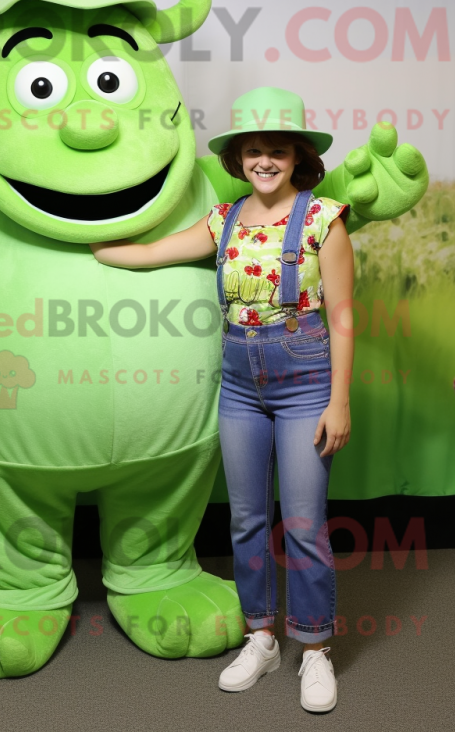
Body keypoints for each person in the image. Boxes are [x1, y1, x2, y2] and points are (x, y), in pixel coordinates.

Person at [90, 87, 354, 712]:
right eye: (255, 151)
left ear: (298, 159)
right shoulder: (225, 221)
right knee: (245, 519)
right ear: (239, 159)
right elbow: (155, 252)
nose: (266, 161)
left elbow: (343, 315)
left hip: (305, 382)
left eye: (278, 151)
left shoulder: (324, 220)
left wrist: (338, 401)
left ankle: (314, 649)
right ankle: (260, 637)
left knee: (306, 523)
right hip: (239, 384)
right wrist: (92, 249)